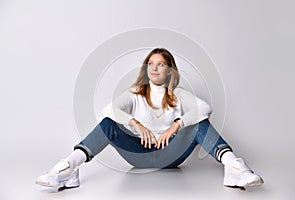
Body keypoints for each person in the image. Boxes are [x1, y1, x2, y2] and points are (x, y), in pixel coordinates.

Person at [36, 48, 264, 190]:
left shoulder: (178, 94)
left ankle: (235, 168)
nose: (154, 68)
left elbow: (205, 108)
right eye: (151, 64)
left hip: (170, 155)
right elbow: (108, 109)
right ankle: (68, 169)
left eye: (161, 64)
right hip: (138, 156)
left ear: (170, 71)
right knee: (108, 124)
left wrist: (177, 124)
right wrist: (135, 123)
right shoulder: (135, 93)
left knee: (199, 123)